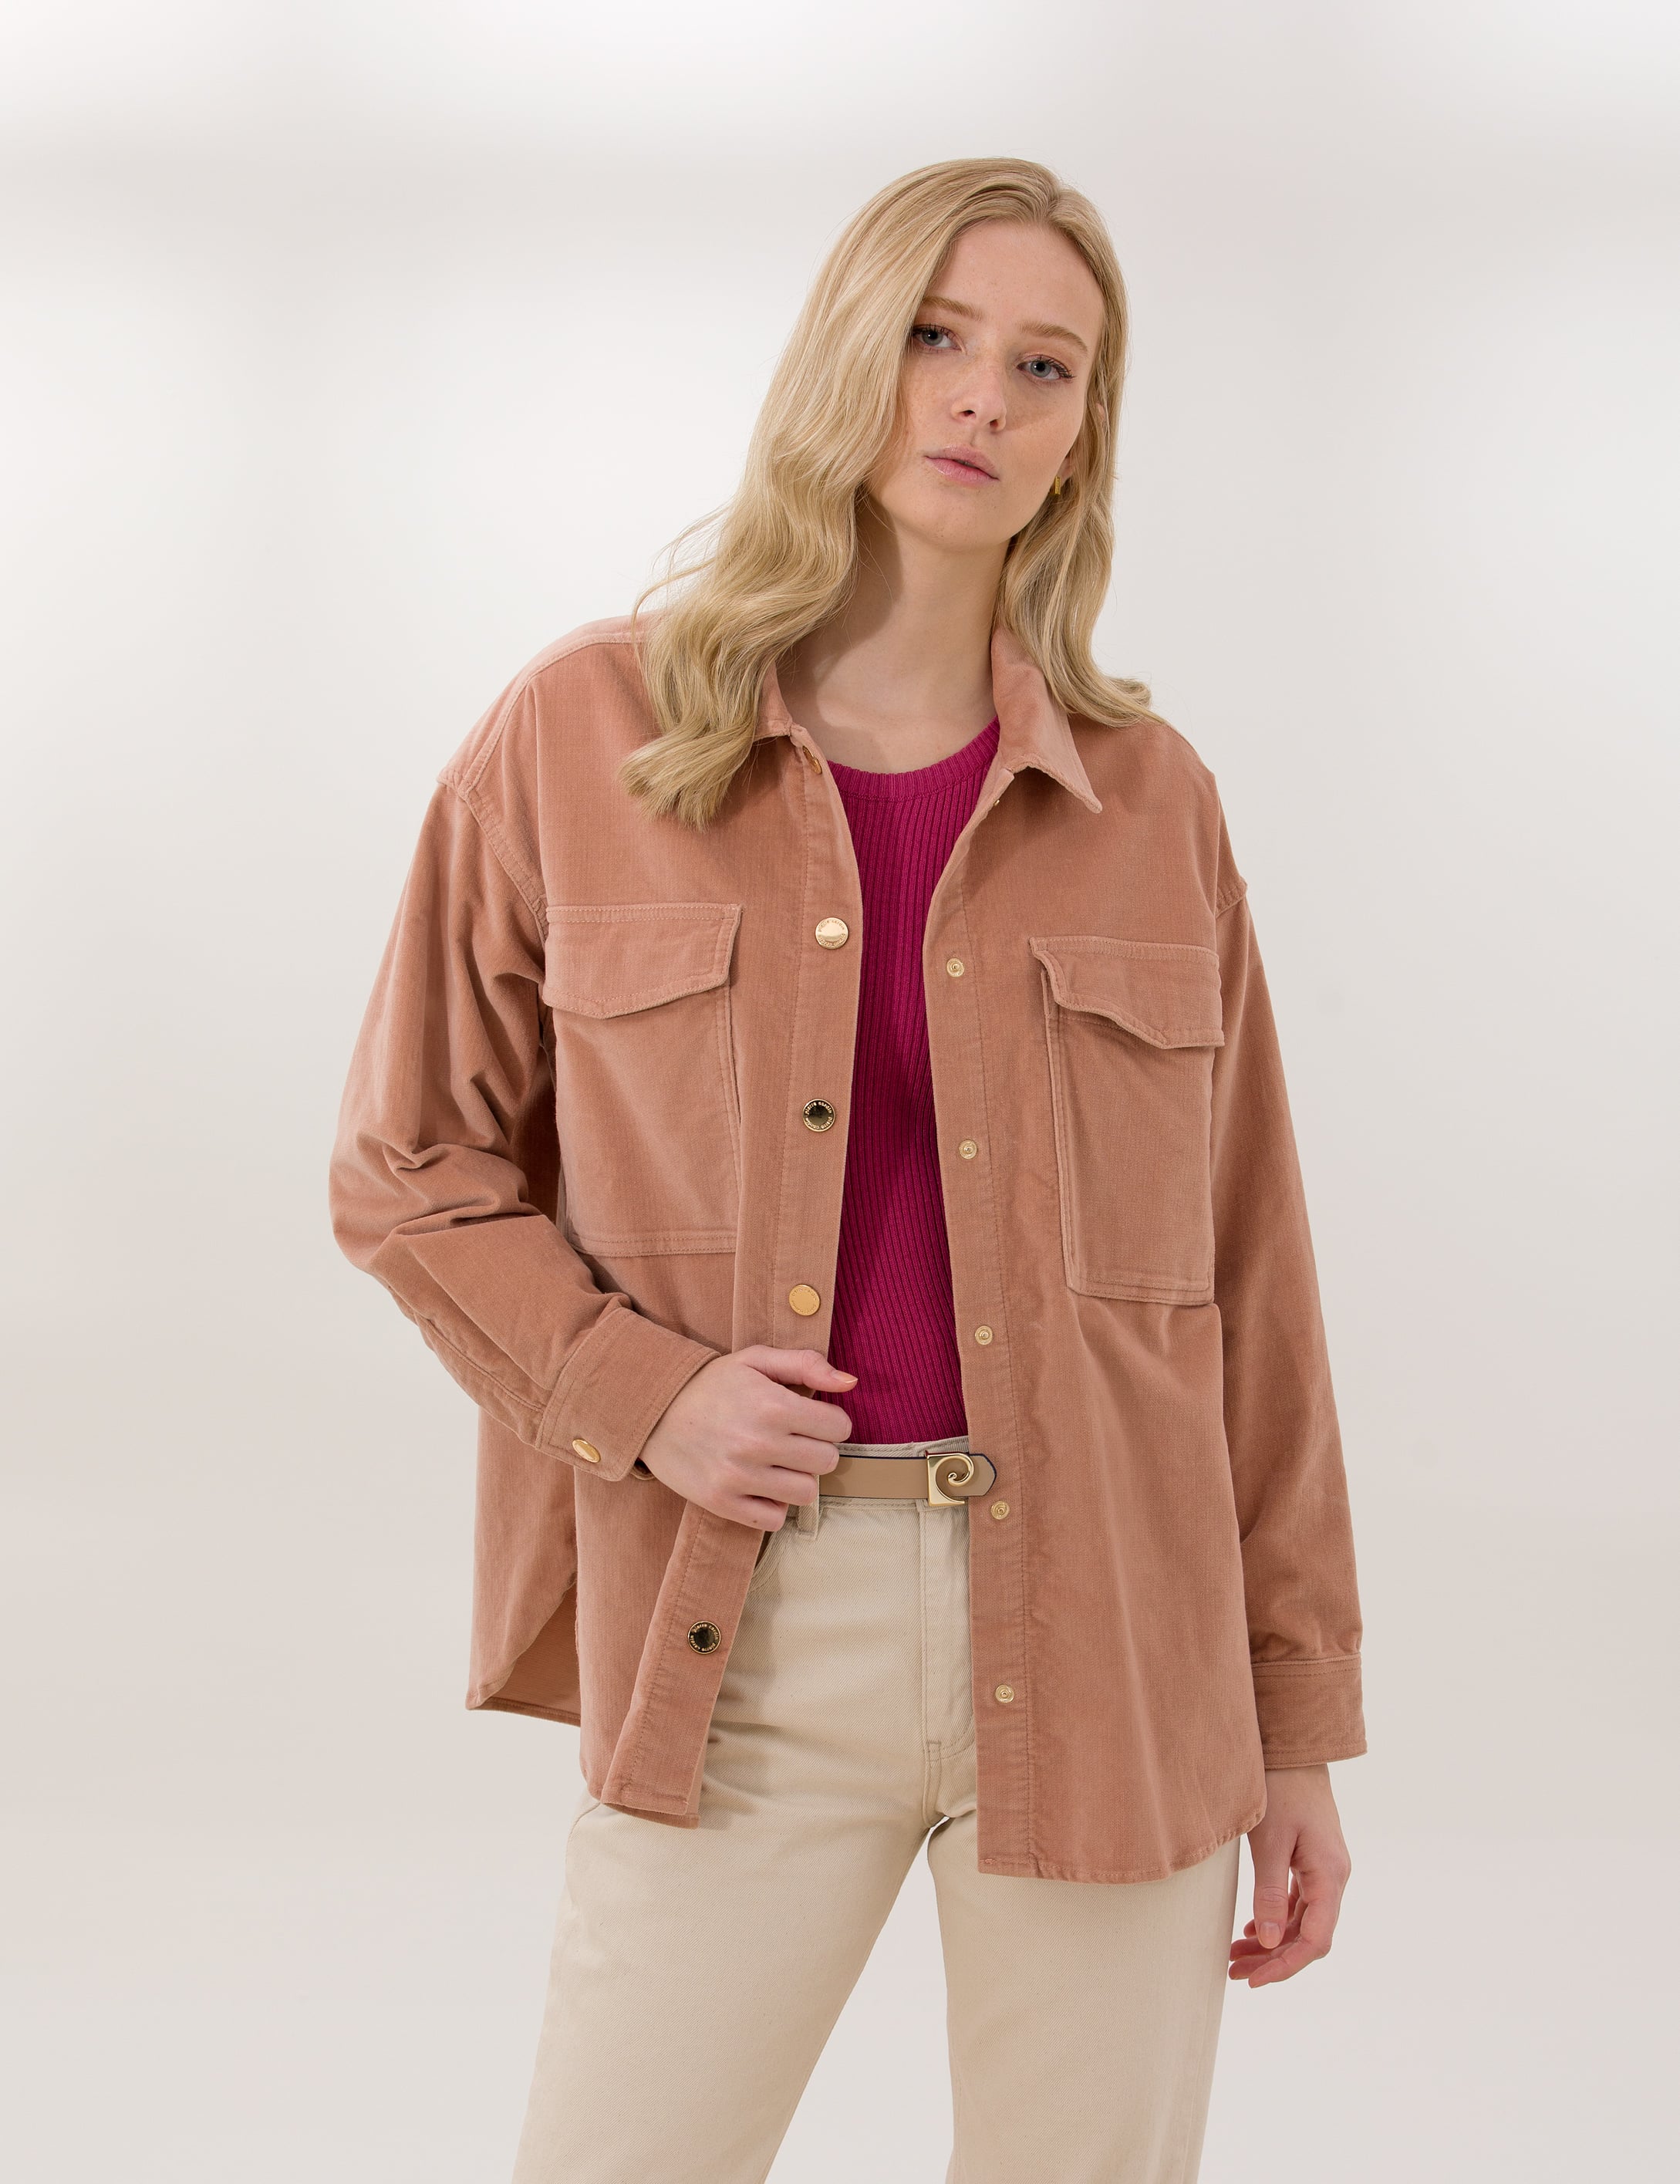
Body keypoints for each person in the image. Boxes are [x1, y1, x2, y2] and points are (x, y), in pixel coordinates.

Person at [329, 156, 1365, 2184]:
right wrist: (645, 1396)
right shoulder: (583, 734)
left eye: (1045, 365)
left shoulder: (1150, 801)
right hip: (742, 1625)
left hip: (1114, 1636)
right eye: (934, 335)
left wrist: (1296, 1724)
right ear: (845, 357)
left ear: (1083, 433)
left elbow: (1251, 1283)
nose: (982, 394)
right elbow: (406, 1165)